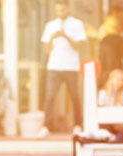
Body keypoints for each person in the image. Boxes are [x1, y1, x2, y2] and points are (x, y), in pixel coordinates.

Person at [40, 0, 86, 136]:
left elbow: (79, 46)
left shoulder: (77, 24)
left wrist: (65, 36)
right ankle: (46, 126)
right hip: (54, 66)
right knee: (49, 97)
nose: (60, 13)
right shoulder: (50, 25)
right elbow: (46, 50)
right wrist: (53, 38)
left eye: (63, 10)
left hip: (71, 66)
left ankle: (78, 124)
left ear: (68, 8)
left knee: (75, 97)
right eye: (58, 10)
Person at [98, 69, 123, 156]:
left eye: (122, 80)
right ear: (111, 80)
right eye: (118, 79)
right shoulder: (103, 94)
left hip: (119, 126)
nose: (120, 82)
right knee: (113, 133)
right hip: (106, 125)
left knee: (120, 136)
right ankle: (112, 139)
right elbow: (101, 114)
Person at [98, 6, 123, 88]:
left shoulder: (103, 28)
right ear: (115, 13)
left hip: (105, 64)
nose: (122, 17)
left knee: (107, 85)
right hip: (114, 63)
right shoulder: (113, 26)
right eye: (121, 15)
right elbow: (122, 55)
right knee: (115, 85)